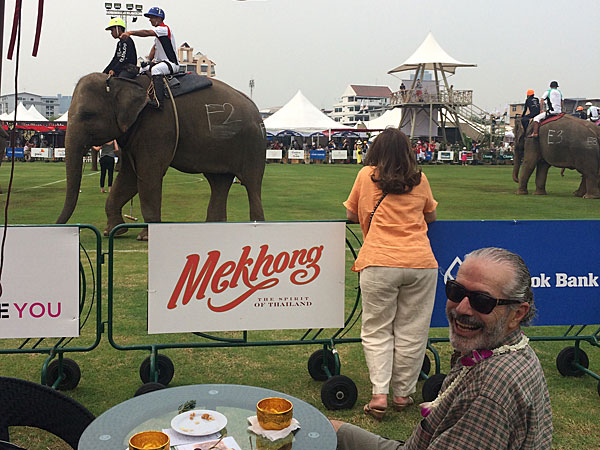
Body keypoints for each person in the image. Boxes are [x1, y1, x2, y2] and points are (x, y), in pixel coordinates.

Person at [333, 247, 553, 450]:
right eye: (456, 292)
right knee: (327, 428)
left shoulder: (491, 387)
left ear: (517, 314)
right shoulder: (511, 352)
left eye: (481, 300)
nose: (462, 308)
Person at [343, 128, 438, 422]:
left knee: (377, 330)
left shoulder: (365, 175)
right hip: (420, 262)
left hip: (379, 261)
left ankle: (380, 394)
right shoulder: (420, 179)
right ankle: (402, 393)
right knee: (412, 330)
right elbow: (431, 215)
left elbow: (350, 214)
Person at [120, 7, 180, 108]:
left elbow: (147, 33)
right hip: (161, 63)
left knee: (156, 70)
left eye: (151, 17)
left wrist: (130, 33)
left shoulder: (163, 29)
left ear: (159, 18)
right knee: (142, 69)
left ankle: (158, 101)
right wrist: (148, 61)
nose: (150, 19)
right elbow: (154, 49)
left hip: (171, 64)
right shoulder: (159, 34)